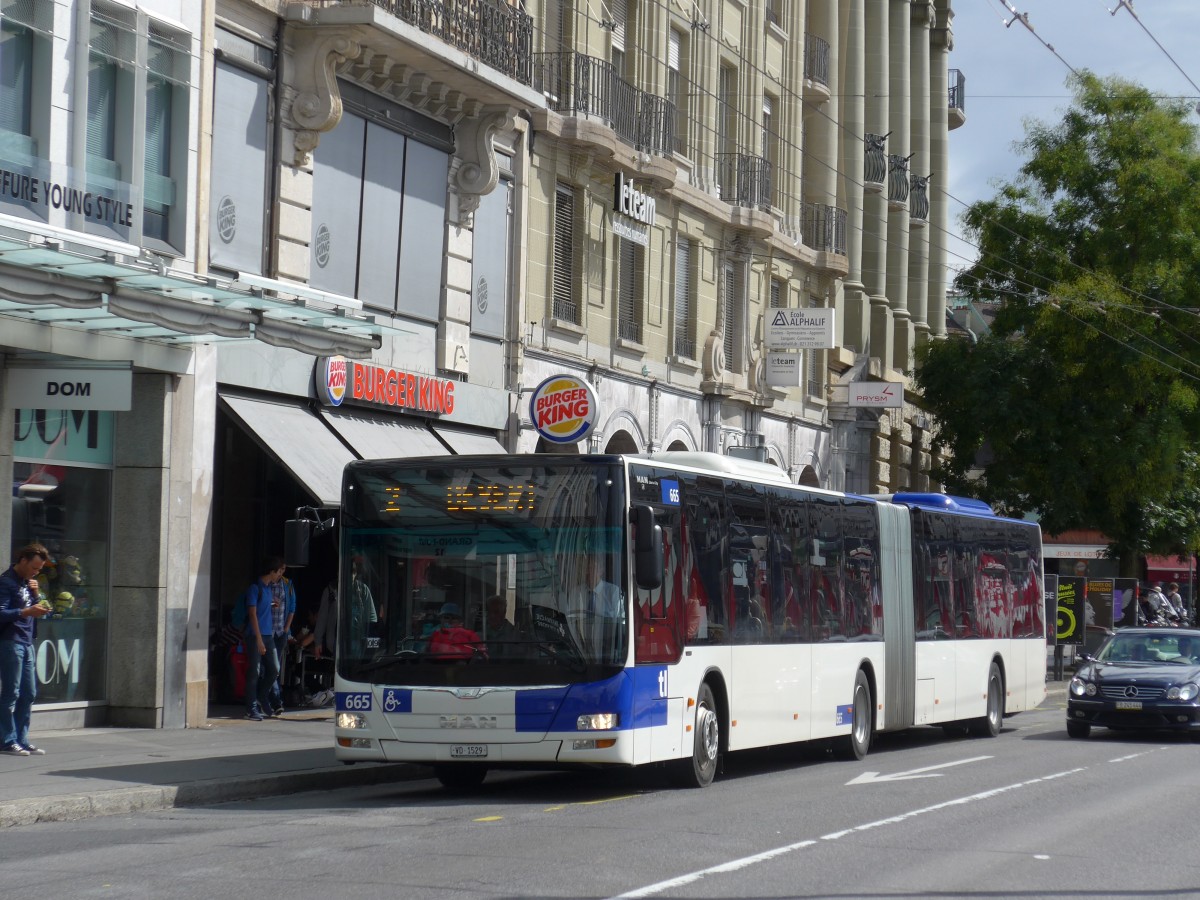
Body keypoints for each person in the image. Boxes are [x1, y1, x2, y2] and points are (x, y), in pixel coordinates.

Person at [0, 544, 53, 756]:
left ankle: (21, 739)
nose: (36, 572)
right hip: (10, 641)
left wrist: (36, 595)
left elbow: (41, 610)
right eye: (34, 567)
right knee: (11, 692)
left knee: (28, 693)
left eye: (39, 569)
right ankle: (6, 740)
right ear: (22, 560)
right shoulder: (6, 582)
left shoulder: (28, 583)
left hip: (27, 641)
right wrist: (25, 611)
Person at [243, 556, 284, 721]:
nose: (279, 575)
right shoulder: (255, 588)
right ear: (271, 571)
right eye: (278, 572)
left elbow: (262, 607)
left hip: (268, 635)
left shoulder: (267, 589)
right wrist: (259, 639)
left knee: (275, 669)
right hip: (256, 636)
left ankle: (260, 696)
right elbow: (252, 614)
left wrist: (273, 604)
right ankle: (250, 709)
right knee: (255, 672)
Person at [267, 567, 297, 716]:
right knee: (272, 667)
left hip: (280, 632)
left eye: (282, 570)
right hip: (268, 632)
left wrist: (286, 629)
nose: (281, 573)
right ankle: (276, 701)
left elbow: (292, 607)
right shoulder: (266, 584)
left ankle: (271, 700)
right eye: (279, 569)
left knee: (275, 668)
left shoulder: (288, 585)